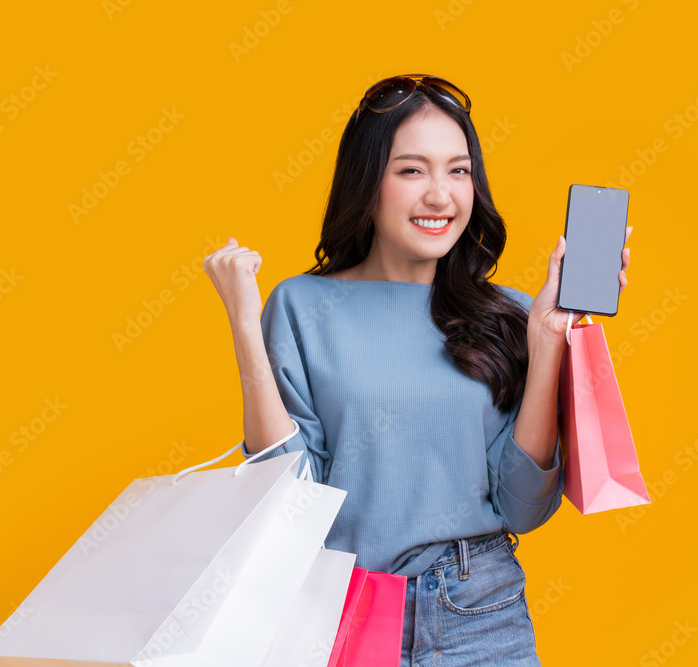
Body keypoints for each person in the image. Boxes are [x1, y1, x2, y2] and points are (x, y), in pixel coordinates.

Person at [204, 74, 632, 666]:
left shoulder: (506, 313)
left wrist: (547, 337)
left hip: (481, 615)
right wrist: (246, 332)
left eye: (458, 171)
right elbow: (289, 500)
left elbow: (523, 508)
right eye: (412, 170)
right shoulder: (302, 305)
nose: (441, 196)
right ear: (367, 181)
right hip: (339, 612)